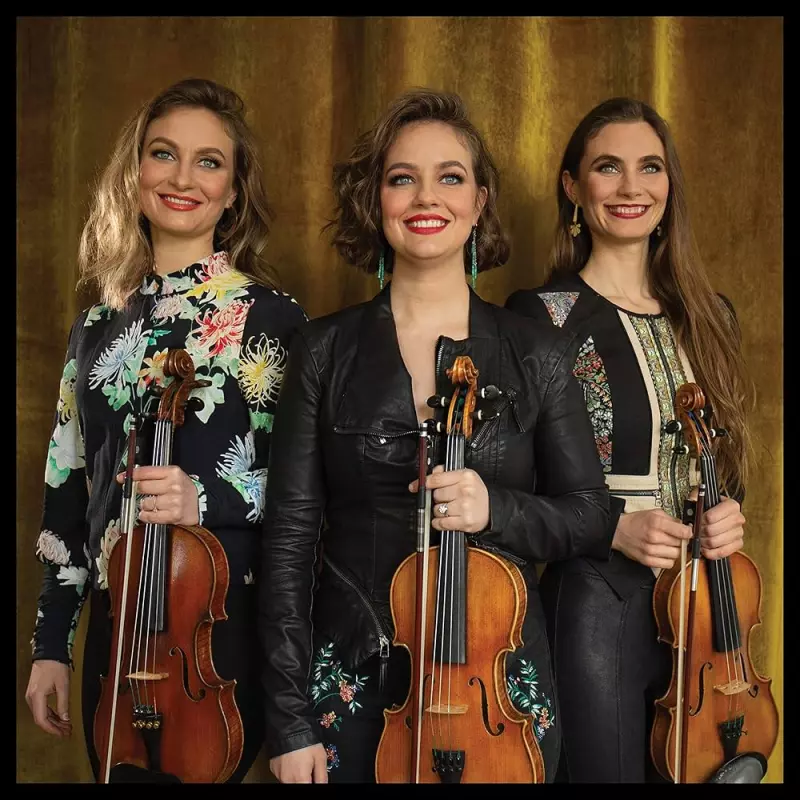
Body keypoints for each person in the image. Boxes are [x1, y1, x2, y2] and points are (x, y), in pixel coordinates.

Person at [258, 88, 611, 784]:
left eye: (450, 177)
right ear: (376, 201)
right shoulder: (323, 350)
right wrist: (289, 720)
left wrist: (495, 508)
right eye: (402, 178)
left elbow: (592, 515)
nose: (426, 197)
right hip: (354, 673)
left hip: (494, 690)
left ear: (479, 201)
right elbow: (290, 540)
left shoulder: (538, 351)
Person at [23, 77, 307, 783]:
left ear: (233, 190)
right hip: (115, 634)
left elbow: (309, 495)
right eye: (163, 154)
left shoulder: (271, 318)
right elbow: (69, 489)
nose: (183, 179)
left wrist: (204, 500)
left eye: (209, 162)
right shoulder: (94, 327)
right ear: (136, 171)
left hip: (214, 632)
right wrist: (51, 644)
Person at [505, 97, 753, 783]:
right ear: (573, 187)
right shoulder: (542, 315)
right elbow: (513, 491)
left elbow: (725, 458)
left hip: (707, 605)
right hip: (599, 601)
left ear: (669, 186)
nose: (630, 187)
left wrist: (730, 509)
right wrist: (612, 527)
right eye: (607, 168)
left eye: (650, 167)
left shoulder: (710, 315)